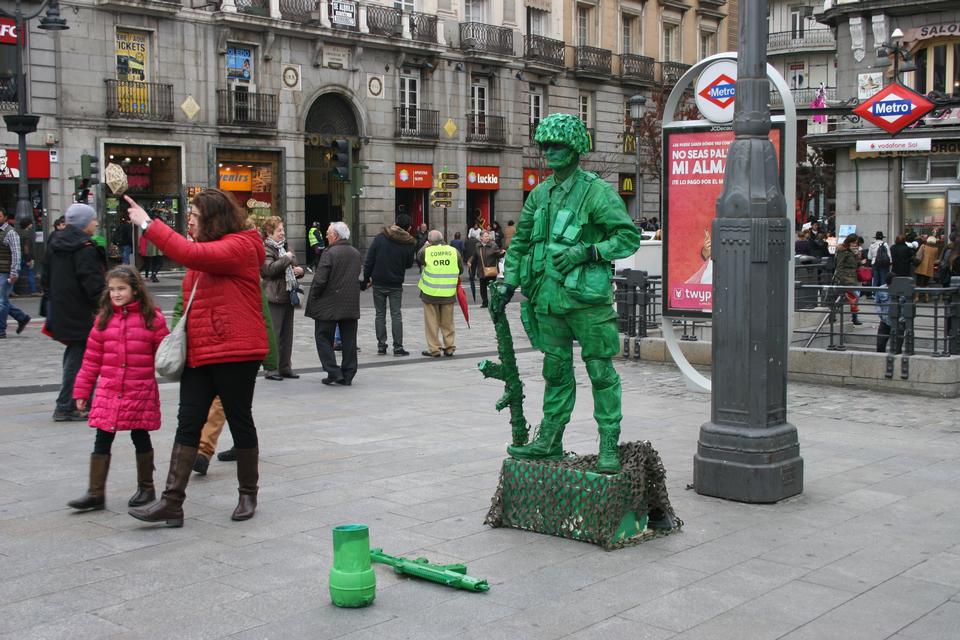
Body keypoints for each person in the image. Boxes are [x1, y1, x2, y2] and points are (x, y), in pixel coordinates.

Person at [496, 113, 641, 474]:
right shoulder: (540, 194)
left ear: (576, 147)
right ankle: (550, 438)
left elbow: (627, 237)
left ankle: (608, 442)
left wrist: (588, 251)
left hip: (587, 302)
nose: (551, 152)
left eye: (559, 145)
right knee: (555, 371)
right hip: (546, 298)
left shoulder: (596, 191)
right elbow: (521, 243)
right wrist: (507, 281)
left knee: (600, 371)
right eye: (546, 146)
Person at [125, 188, 268, 526]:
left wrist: (148, 223)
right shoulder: (205, 253)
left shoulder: (241, 246)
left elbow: (186, 252)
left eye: (194, 213)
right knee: (188, 422)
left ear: (214, 217)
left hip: (235, 350)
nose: (189, 218)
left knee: (239, 418)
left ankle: (248, 492)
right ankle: (171, 502)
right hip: (201, 350)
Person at [67, 266, 170, 511]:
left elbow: (165, 353)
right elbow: (91, 360)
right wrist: (82, 391)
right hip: (109, 389)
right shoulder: (104, 319)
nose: (115, 293)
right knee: (102, 437)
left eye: (121, 288)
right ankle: (95, 492)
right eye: (112, 289)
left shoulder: (152, 319)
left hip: (139, 389)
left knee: (140, 436)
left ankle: (146, 488)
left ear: (135, 289)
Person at [42, 204, 107, 420]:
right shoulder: (84, 248)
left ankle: (78, 402)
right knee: (79, 358)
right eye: (93, 219)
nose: (96, 223)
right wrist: (104, 307)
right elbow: (93, 285)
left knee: (75, 355)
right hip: (82, 312)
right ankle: (66, 405)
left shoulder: (55, 243)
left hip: (63, 309)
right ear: (84, 223)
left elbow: (45, 279)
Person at [306, 221, 362, 385]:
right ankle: (348, 373)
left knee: (323, 337)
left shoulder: (329, 253)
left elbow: (320, 279)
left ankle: (333, 371)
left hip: (328, 303)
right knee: (349, 340)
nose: (326, 236)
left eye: (329, 233)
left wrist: (314, 296)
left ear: (336, 236)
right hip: (350, 303)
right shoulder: (355, 253)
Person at [363, 212, 415, 356]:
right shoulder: (409, 242)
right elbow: (409, 264)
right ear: (408, 228)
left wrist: (366, 279)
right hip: (396, 282)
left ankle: (381, 345)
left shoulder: (380, 237)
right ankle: (398, 347)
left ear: (395, 223)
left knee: (380, 314)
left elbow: (369, 261)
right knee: (396, 314)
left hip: (378, 281)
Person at [261, 215, 304, 380]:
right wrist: (286, 258)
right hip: (274, 296)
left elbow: (295, 264)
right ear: (270, 231)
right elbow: (269, 270)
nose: (282, 233)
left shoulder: (285, 246)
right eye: (279, 230)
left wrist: (299, 271)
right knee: (274, 334)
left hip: (288, 294)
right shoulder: (266, 248)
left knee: (287, 334)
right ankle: (272, 369)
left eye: (283, 229)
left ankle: (285, 367)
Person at [417, 229, 464, 357]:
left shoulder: (427, 251)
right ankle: (449, 347)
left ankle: (434, 349)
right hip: (448, 292)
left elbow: (419, 258)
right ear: (442, 239)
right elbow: (460, 269)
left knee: (432, 322)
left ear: (429, 241)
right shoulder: (453, 251)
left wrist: (426, 245)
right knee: (448, 322)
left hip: (429, 292)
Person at [1, 215, 30, 339]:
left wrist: (14, 272)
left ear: (5, 217)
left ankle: (1, 330)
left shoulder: (10, 232)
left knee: (2, 301)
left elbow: (16, 254)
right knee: (3, 300)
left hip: (5, 272)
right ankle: (21, 317)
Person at [468, 230, 502, 309]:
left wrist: (502, 253)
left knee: (493, 287)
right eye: (485, 236)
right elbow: (474, 256)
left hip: (491, 270)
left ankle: (494, 302)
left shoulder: (493, 245)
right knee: (482, 288)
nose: (487, 237)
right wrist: (470, 261)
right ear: (481, 238)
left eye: (488, 236)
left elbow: (498, 254)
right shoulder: (477, 246)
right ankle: (485, 302)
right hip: (482, 270)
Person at [834, 233, 863, 325]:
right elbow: (839, 266)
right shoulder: (843, 251)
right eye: (854, 243)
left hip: (852, 277)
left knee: (849, 298)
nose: (855, 245)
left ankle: (853, 317)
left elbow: (854, 264)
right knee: (855, 296)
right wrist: (841, 278)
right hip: (846, 278)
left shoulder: (851, 251)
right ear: (849, 242)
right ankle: (854, 318)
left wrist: (858, 257)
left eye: (856, 243)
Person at [914, 235, 938, 301]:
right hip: (929, 269)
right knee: (926, 284)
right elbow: (935, 259)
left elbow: (918, 255)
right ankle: (927, 298)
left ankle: (917, 297)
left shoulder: (923, 246)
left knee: (918, 283)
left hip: (921, 267)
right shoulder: (935, 249)